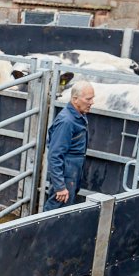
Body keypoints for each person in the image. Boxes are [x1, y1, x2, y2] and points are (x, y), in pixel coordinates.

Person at [43, 80, 95, 211]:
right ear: (75, 99)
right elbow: (54, 155)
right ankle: (40, 232)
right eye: (88, 99)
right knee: (55, 213)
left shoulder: (78, 116)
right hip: (66, 174)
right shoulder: (67, 122)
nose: (91, 102)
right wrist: (60, 187)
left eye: (92, 99)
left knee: (63, 211)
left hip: (72, 172)